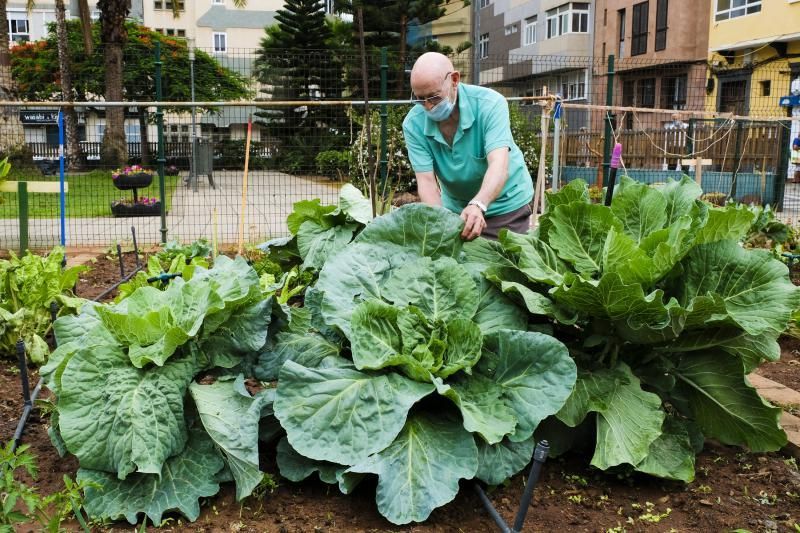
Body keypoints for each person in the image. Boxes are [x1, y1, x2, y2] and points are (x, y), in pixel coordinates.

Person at [402, 52, 534, 240]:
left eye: (434, 98)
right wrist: (441, 223)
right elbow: (427, 182)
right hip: (456, 210)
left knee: (502, 265)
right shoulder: (413, 123)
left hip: (506, 207)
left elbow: (499, 165)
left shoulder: (490, 105)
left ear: (454, 80)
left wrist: (479, 204)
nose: (428, 107)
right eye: (420, 99)